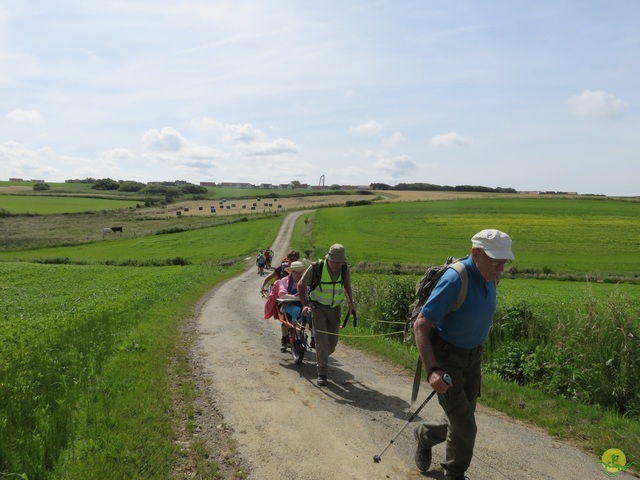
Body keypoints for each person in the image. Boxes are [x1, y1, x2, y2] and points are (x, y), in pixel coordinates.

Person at [412, 229, 514, 480]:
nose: (500, 269)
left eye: (504, 263)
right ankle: (454, 474)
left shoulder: (490, 276)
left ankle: (424, 434)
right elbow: (421, 325)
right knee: (465, 425)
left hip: (472, 359)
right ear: (475, 254)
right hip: (447, 360)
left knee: (461, 418)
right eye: (495, 261)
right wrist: (433, 370)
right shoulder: (456, 280)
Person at [298, 244, 355, 387]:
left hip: (335, 308)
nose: (337, 265)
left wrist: (351, 304)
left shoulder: (344, 269)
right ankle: (322, 372)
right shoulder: (316, 268)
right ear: (329, 258)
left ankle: (321, 356)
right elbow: (300, 285)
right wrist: (305, 304)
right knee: (322, 340)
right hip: (317, 307)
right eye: (335, 262)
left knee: (332, 343)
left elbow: (347, 285)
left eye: (339, 262)